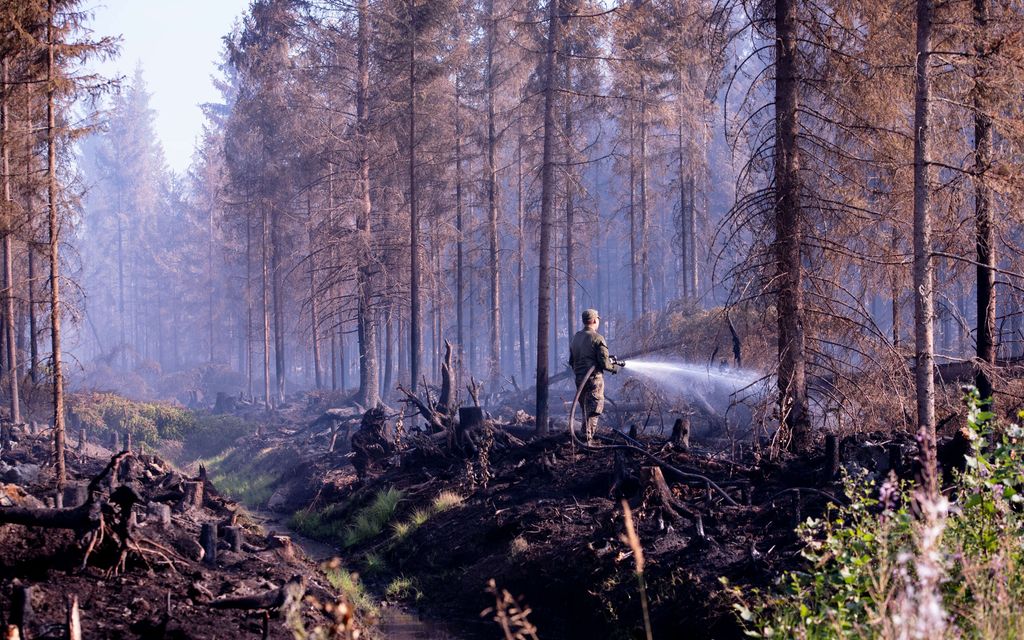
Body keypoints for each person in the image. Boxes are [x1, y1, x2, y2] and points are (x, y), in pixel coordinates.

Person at [568, 308, 620, 443]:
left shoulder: (576, 338)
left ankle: (584, 438)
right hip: (593, 379)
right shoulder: (597, 338)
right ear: (594, 320)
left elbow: (571, 361)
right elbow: (604, 363)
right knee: (594, 409)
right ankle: (587, 441)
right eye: (597, 320)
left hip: (580, 379)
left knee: (586, 409)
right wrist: (615, 368)